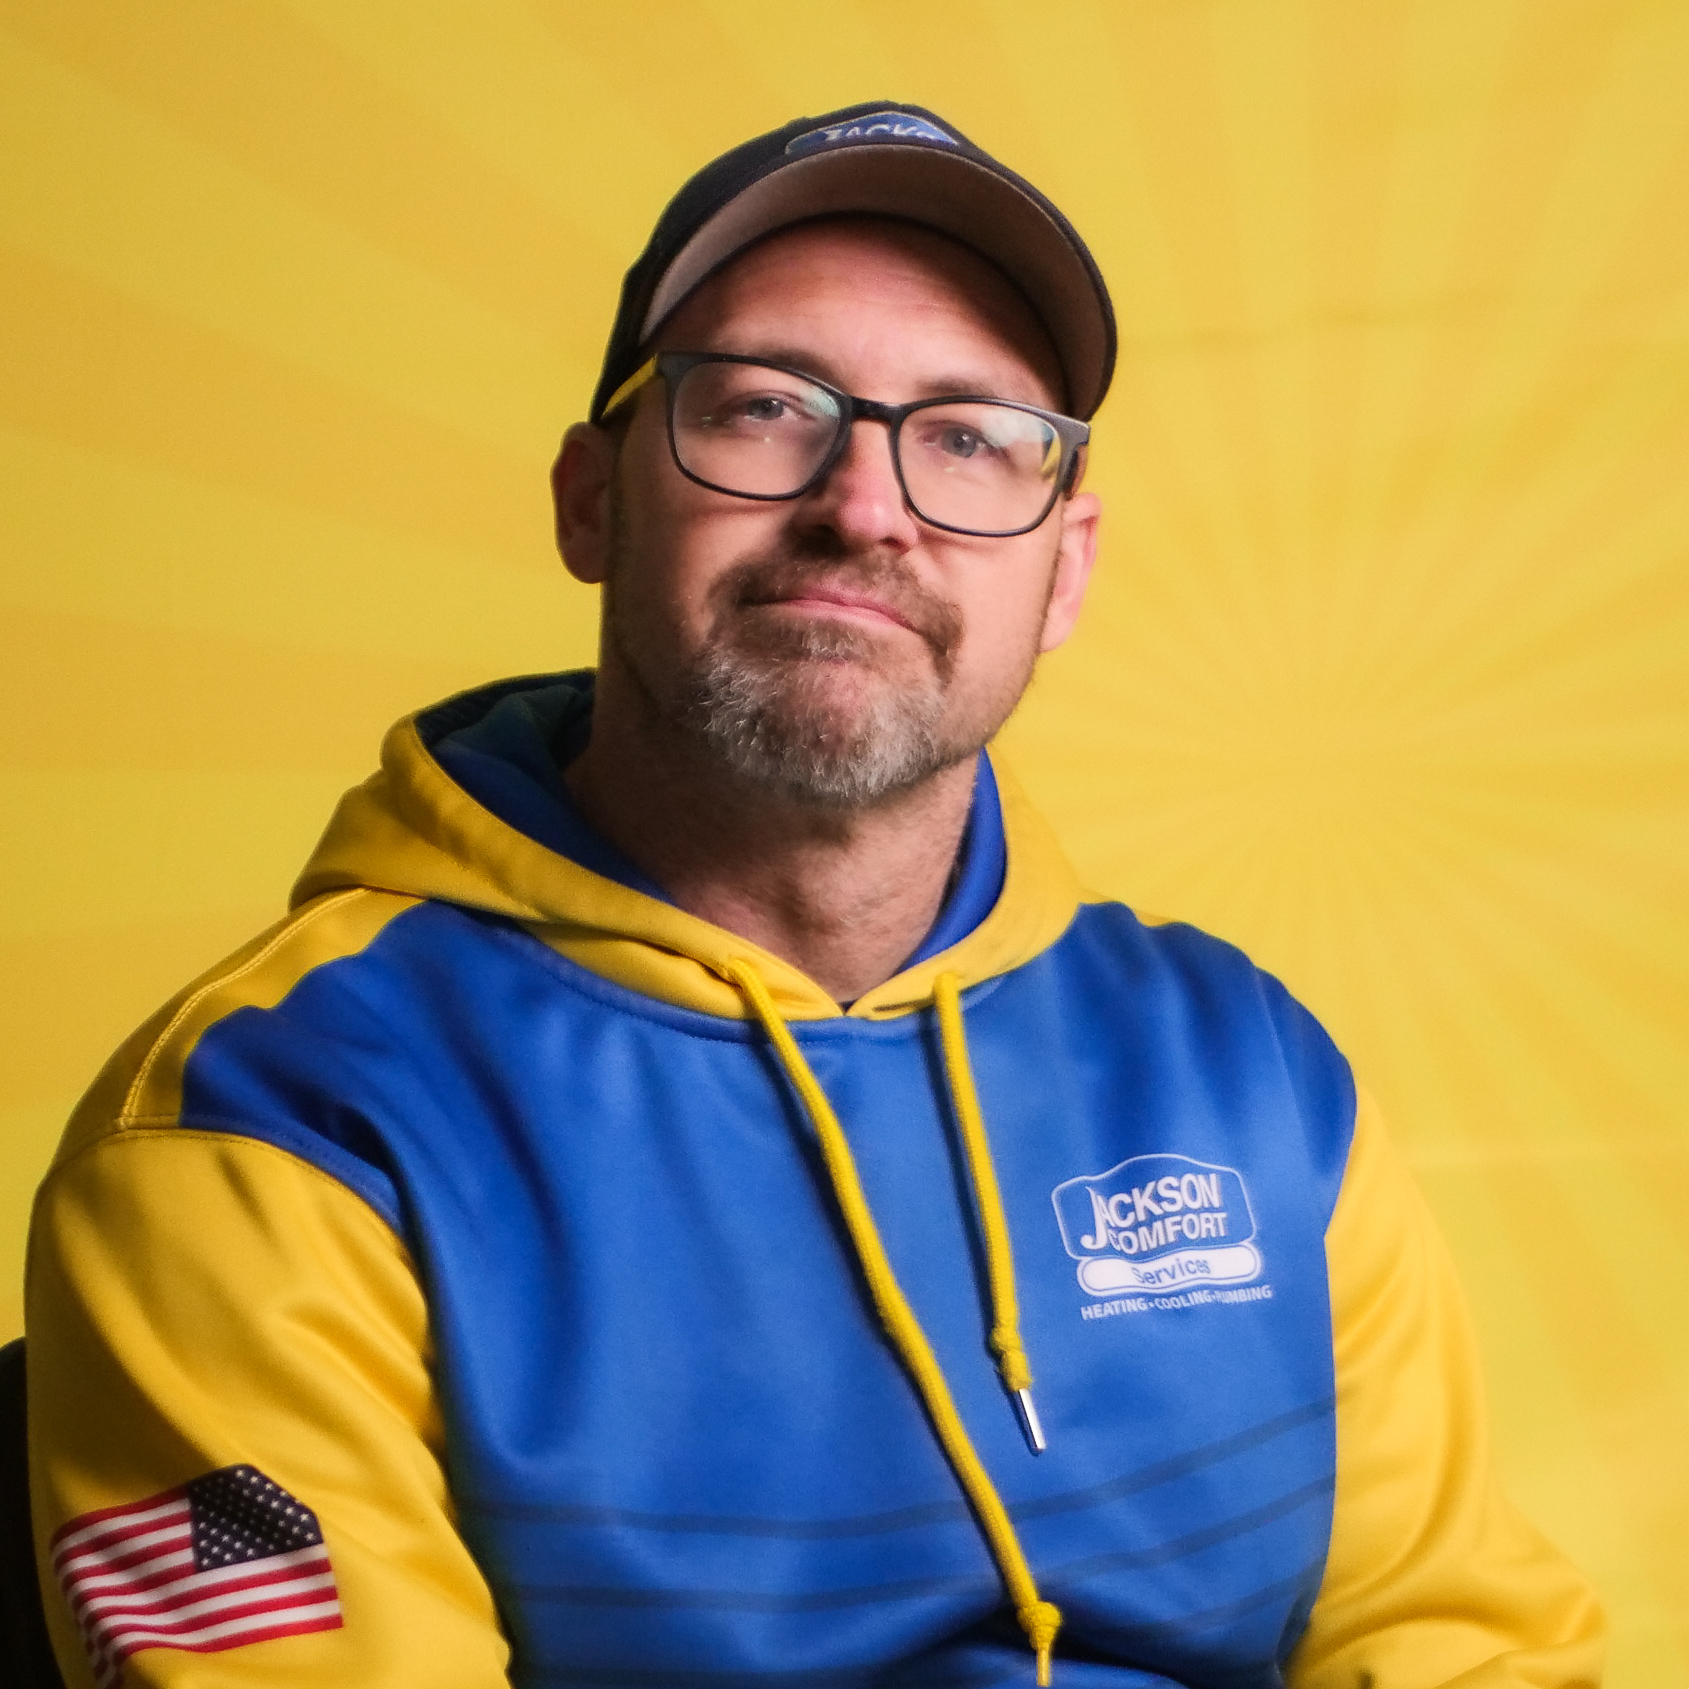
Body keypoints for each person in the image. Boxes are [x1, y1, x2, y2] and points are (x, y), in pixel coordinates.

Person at [26, 102, 1602, 1689]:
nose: (865, 507)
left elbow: (1458, 1641)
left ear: (1062, 569)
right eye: (766, 407)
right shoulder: (263, 1123)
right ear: (590, 500)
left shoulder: (1244, 1069)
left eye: (970, 436)